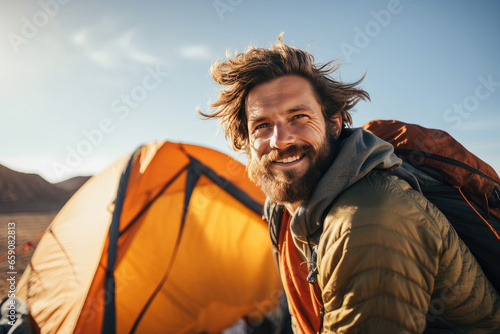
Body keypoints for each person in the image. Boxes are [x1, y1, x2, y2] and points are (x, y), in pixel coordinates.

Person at [200, 34, 500, 333]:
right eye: (262, 125)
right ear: (246, 140)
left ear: (334, 122)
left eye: (299, 117)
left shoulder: (368, 220)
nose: (280, 139)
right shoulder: (288, 209)